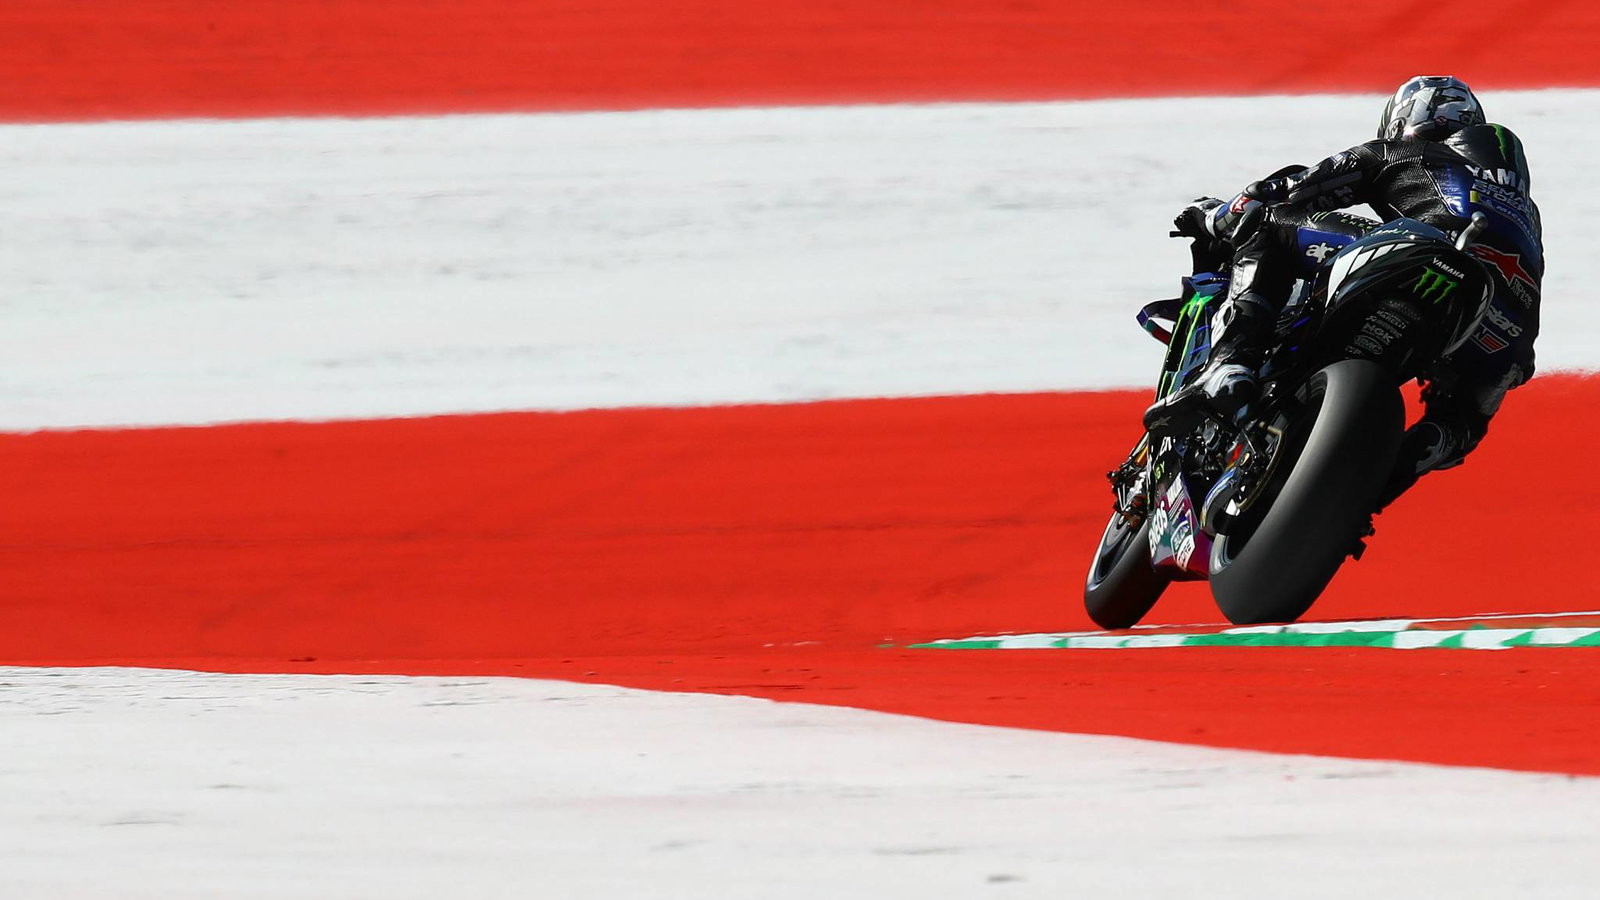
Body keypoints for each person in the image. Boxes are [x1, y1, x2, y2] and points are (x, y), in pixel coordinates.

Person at [1143, 74, 1542, 506]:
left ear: (1404, 119)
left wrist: (1223, 214)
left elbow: (1297, 189)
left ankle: (1231, 363)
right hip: (1506, 327)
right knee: (1459, 424)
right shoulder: (1527, 214)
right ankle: (1368, 498)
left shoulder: (1408, 151)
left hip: (1420, 254)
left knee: (1270, 225)